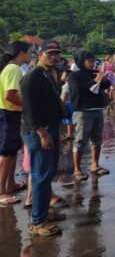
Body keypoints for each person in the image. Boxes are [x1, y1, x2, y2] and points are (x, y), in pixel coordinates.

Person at [20, 40, 66, 236]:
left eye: (56, 53)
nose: (54, 56)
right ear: (40, 54)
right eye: (50, 53)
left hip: (51, 128)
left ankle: (44, 212)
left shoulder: (48, 74)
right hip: (39, 131)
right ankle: (37, 222)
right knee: (40, 176)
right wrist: (42, 132)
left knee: (47, 174)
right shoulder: (32, 77)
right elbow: (29, 109)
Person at [69, 51, 111, 181]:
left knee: (97, 138)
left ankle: (95, 165)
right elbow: (79, 90)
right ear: (82, 61)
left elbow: (106, 85)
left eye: (93, 61)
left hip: (97, 109)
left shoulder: (94, 73)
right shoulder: (74, 76)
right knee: (80, 140)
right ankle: (77, 169)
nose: (93, 64)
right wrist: (95, 81)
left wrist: (104, 80)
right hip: (83, 111)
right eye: (89, 61)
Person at [0, 41, 30, 205]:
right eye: (29, 52)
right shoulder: (13, 69)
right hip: (8, 113)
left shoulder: (11, 68)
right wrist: (26, 107)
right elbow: (9, 95)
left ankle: (10, 184)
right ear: (21, 53)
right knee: (6, 154)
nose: (31, 55)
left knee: (12, 151)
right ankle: (1, 191)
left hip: (11, 114)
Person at [59, 70, 74, 141]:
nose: (62, 76)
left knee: (68, 120)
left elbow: (64, 96)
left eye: (63, 75)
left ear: (67, 77)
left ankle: (70, 134)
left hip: (67, 104)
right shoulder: (72, 84)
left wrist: (61, 103)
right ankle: (70, 133)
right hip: (72, 103)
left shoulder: (65, 86)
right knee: (70, 119)